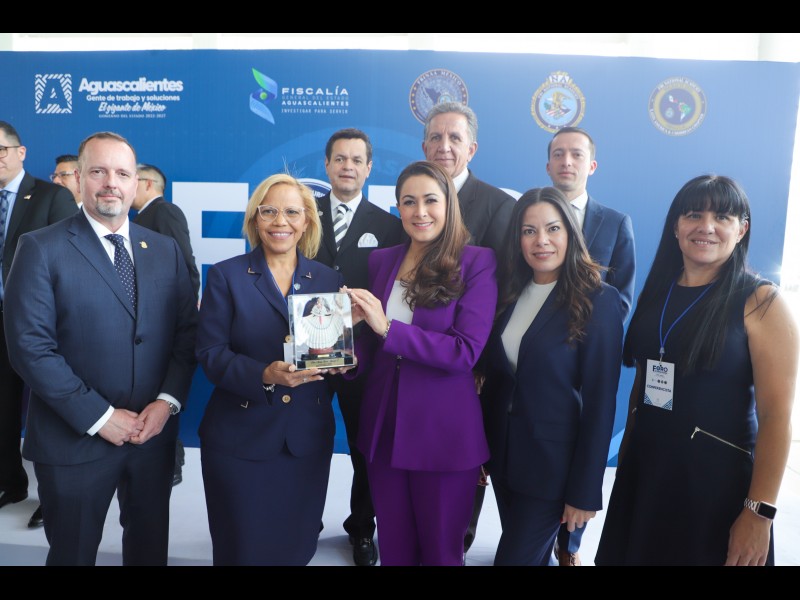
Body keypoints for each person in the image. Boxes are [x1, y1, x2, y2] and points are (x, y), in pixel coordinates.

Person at [3, 131, 198, 565]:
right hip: (73, 440)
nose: (111, 183)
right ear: (78, 179)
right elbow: (30, 348)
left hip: (151, 437)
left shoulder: (164, 250)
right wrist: (101, 417)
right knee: (72, 555)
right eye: (98, 171)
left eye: (122, 174)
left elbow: (186, 334)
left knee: (149, 554)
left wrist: (166, 403)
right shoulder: (39, 247)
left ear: (136, 183)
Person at [595, 175, 798, 566]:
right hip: (646, 478)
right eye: (693, 215)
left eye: (722, 217)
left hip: (716, 490)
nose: (706, 226)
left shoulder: (760, 302)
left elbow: (777, 418)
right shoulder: (659, 290)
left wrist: (759, 514)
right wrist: (627, 470)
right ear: (676, 226)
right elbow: (643, 383)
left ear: (742, 229)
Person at [344, 160, 498, 566]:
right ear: (397, 208)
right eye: (408, 202)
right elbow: (373, 342)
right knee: (395, 551)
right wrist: (348, 358)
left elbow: (464, 351)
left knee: (441, 554)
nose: (420, 211)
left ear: (449, 205)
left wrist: (386, 326)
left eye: (431, 200)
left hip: (442, 434)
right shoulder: (383, 260)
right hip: (384, 429)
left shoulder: (477, 262)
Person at [196, 173, 346, 566]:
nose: (281, 221)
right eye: (269, 211)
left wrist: (344, 358)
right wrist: (265, 374)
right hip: (240, 439)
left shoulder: (328, 279)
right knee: (241, 551)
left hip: (305, 442)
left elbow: (333, 357)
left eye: (292, 212)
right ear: (255, 219)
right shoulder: (226, 275)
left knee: (296, 550)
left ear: (307, 221)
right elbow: (211, 354)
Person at [479, 187, 624, 566]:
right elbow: (498, 380)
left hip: (553, 470)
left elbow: (601, 404)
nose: (541, 240)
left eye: (552, 228)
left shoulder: (599, 300)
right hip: (505, 460)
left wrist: (584, 491)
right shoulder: (509, 292)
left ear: (570, 233)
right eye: (529, 231)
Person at [421, 102, 515, 555]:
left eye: (454, 138)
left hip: (469, 365)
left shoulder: (499, 206)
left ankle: (458, 540)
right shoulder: (415, 197)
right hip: (416, 357)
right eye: (436, 138)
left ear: (471, 148)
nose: (444, 146)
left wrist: (480, 363)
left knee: (463, 462)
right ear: (424, 146)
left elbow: (506, 294)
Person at [545, 126, 636, 565]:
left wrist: (586, 335)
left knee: (586, 443)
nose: (567, 161)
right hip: (539, 359)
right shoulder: (529, 217)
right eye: (559, 154)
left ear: (591, 165)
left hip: (589, 357)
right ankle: (539, 531)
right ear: (548, 165)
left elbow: (622, 297)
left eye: (576, 154)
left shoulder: (615, 222)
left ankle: (570, 545)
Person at [315, 128, 405, 566]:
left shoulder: (389, 226)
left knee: (363, 447)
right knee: (303, 441)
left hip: (364, 356)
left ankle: (362, 528)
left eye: (356, 160)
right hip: (309, 350)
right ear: (327, 165)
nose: (347, 166)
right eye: (340, 159)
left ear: (369, 168)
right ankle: (302, 519)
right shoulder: (302, 214)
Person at [0, 122, 78, 530]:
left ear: (21, 152)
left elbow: (67, 260)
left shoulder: (51, 195)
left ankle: (53, 498)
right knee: (3, 409)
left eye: (1, 149)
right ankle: (10, 483)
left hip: (42, 326)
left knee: (50, 412)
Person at [134, 162, 201, 486]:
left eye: (130, 178)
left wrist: (179, 316)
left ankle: (171, 461)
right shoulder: (139, 217)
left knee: (162, 390)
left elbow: (185, 267)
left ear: (148, 184)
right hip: (143, 322)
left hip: (164, 321)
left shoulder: (164, 211)